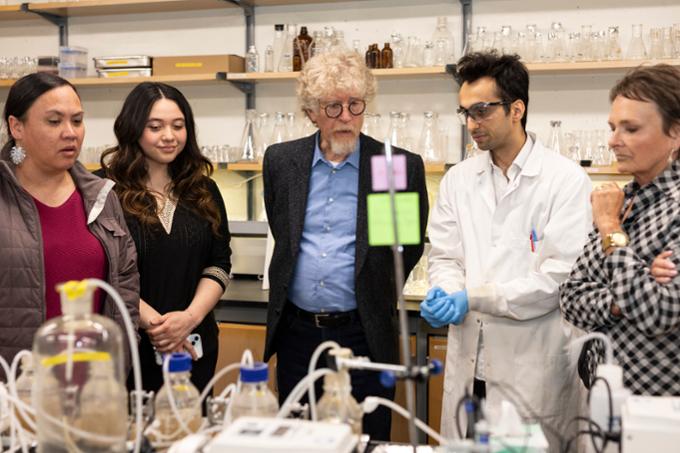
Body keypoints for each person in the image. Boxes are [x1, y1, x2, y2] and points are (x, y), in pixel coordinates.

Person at [423, 51, 592, 450]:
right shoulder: (458, 180)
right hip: (471, 362)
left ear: (517, 109)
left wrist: (474, 297)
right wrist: (445, 291)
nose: (470, 123)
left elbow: (558, 279)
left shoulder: (564, 180)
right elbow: (445, 255)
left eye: (481, 111)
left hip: (532, 369)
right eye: (464, 111)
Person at [262, 50, 428, 440]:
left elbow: (404, 251)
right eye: (333, 107)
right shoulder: (282, 162)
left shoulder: (391, 166)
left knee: (365, 437)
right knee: (297, 440)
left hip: (363, 333)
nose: (347, 117)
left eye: (355, 104)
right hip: (297, 333)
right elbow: (283, 233)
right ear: (311, 112)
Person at [98, 82, 231, 394]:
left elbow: (219, 263)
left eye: (178, 126)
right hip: (131, 346)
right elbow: (103, 268)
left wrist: (188, 319)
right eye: (155, 127)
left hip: (195, 344)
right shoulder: (104, 191)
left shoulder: (203, 190)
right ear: (133, 129)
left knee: (192, 434)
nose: (169, 136)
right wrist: (159, 327)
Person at [0, 72, 139, 369]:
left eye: (77, 121)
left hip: (94, 381)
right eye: (54, 121)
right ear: (16, 127)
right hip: (15, 387)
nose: (70, 132)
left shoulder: (102, 196)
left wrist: (120, 362)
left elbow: (125, 288)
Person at [560, 64, 680, 396]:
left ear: (676, 133)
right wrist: (627, 293)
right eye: (613, 127)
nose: (613, 141)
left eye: (630, 128)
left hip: (660, 411)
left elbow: (658, 312)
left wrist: (611, 228)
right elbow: (570, 298)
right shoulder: (622, 198)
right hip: (606, 397)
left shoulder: (617, 211)